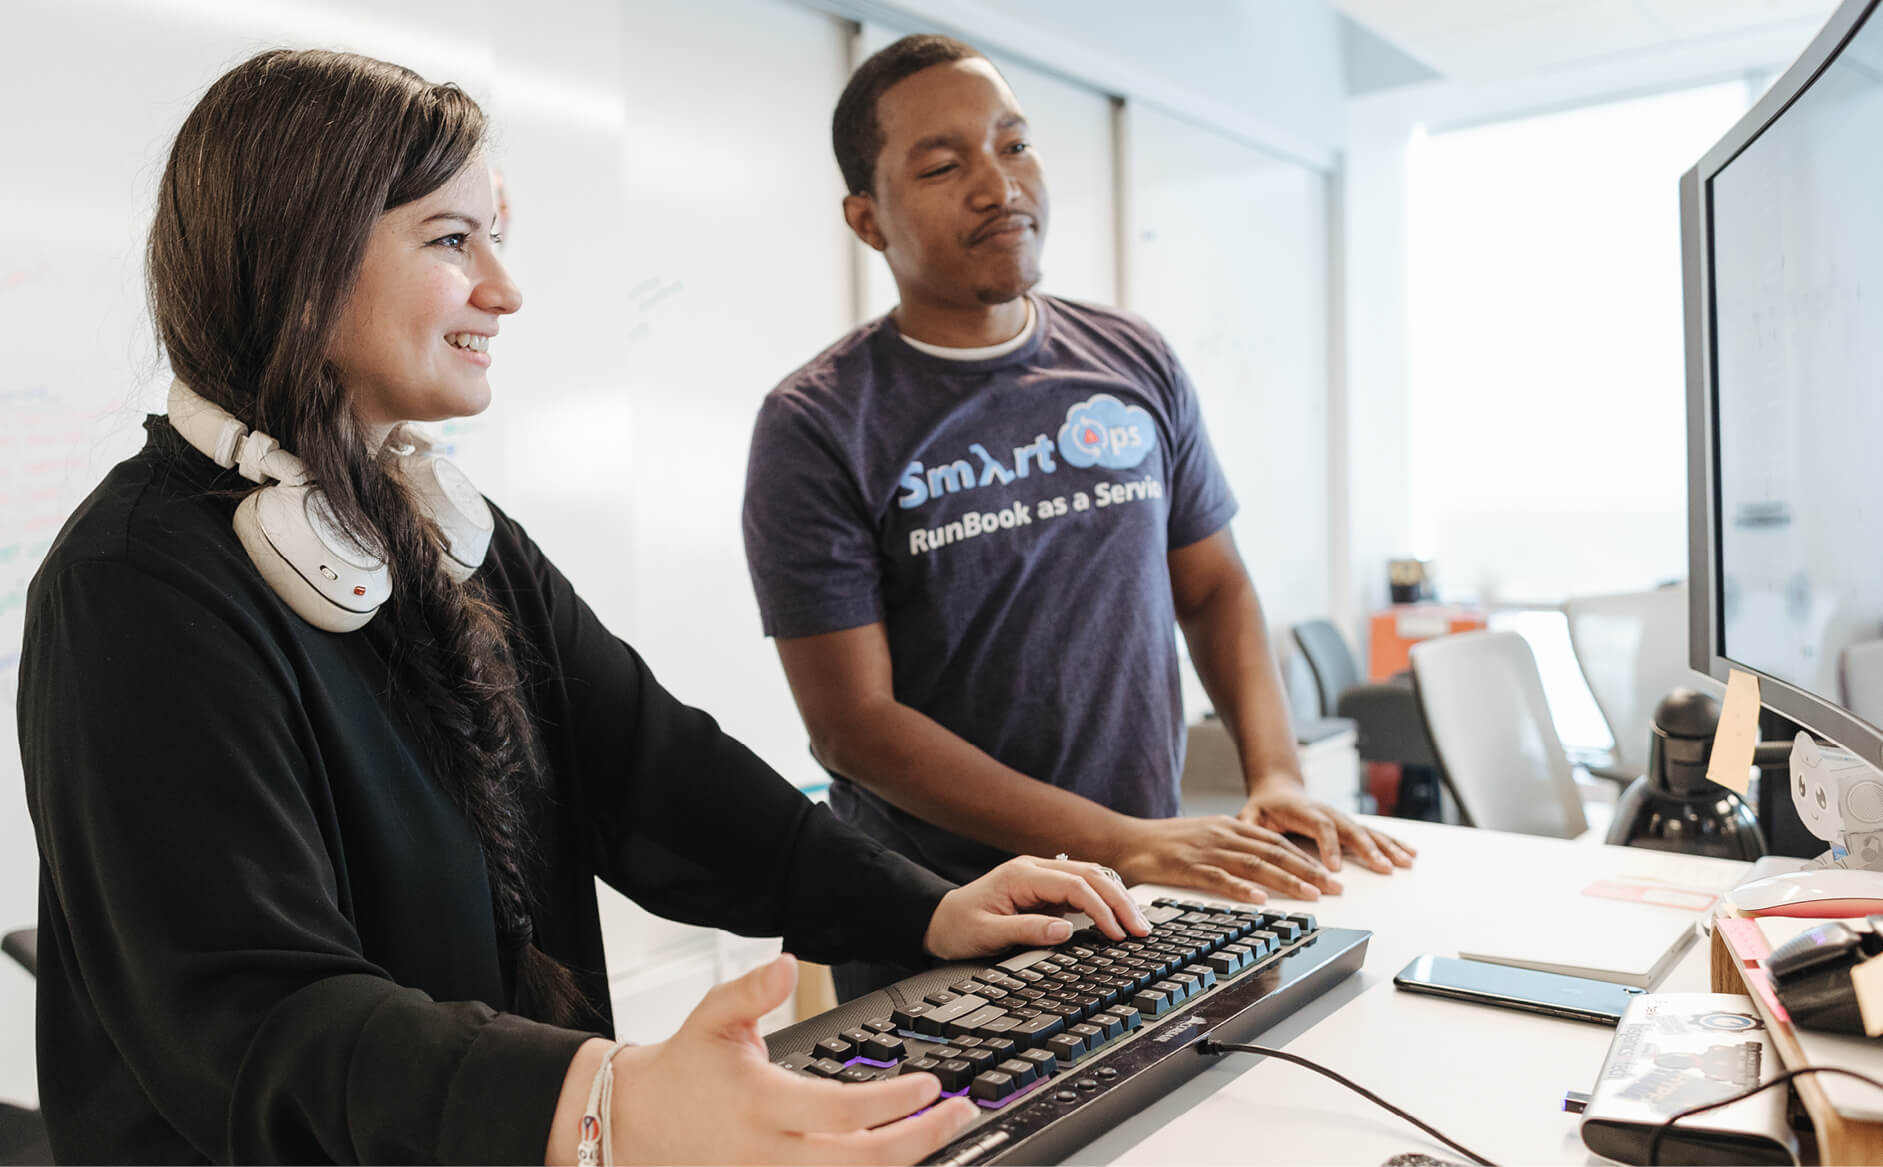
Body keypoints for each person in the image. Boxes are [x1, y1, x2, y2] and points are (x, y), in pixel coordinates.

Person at [17, 48, 1150, 1165]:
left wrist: (926, 913)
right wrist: (607, 1099)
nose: (502, 290)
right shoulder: (132, 590)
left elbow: (656, 775)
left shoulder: (448, 535)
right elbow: (256, 1019)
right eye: (453, 240)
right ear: (300, 260)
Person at [742, 35, 1415, 1001]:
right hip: (936, 911)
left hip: (1134, 889)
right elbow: (855, 726)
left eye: (1013, 147)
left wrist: (1276, 773)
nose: (995, 185)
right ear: (866, 219)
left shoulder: (1130, 360)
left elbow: (1214, 585)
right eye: (941, 165)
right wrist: (1122, 840)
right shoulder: (816, 423)